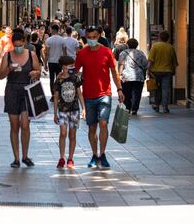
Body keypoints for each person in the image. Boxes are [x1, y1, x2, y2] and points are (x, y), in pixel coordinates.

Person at [75, 26, 124, 168]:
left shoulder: (107, 52)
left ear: (98, 37)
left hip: (104, 94)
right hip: (88, 95)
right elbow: (75, 71)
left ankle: (102, 154)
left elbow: (114, 72)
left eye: (93, 37)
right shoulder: (82, 53)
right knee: (92, 128)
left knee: (103, 123)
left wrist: (119, 89)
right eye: (88, 38)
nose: (91, 40)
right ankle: (94, 154)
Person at [0, 31, 41, 168]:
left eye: (20, 45)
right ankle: (16, 158)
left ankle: (25, 156)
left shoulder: (31, 54)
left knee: (25, 124)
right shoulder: (8, 55)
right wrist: (9, 68)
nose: (18, 47)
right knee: (14, 125)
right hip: (12, 90)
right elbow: (0, 75)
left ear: (24, 42)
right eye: (16, 45)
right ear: (12, 44)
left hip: (27, 90)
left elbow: (38, 71)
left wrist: (35, 73)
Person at [53, 56, 86, 169]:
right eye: (70, 66)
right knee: (63, 133)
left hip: (74, 110)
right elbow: (56, 96)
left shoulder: (75, 78)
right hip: (62, 110)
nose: (72, 68)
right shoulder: (59, 79)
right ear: (63, 67)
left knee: (72, 135)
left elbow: (79, 94)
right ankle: (62, 157)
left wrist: (83, 108)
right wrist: (55, 113)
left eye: (73, 66)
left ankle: (70, 158)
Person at [148, 30, 179, 113]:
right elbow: (174, 62)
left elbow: (151, 60)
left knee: (156, 89)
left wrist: (148, 70)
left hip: (155, 72)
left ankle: (157, 105)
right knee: (166, 89)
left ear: (159, 37)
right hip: (167, 71)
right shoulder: (171, 47)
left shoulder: (155, 46)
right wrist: (174, 70)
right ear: (168, 38)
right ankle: (165, 106)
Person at [118, 38, 148, 115]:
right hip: (138, 77)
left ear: (127, 45)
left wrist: (119, 74)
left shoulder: (123, 53)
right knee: (137, 94)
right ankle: (135, 109)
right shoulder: (141, 53)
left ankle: (128, 107)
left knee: (127, 93)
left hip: (126, 77)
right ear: (136, 45)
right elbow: (145, 64)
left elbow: (121, 65)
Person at [45, 24, 65, 102]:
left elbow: (47, 52)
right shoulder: (62, 40)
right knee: (59, 78)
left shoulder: (48, 40)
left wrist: (45, 63)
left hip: (51, 62)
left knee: (51, 78)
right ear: (58, 30)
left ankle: (53, 95)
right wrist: (65, 62)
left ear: (52, 30)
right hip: (59, 62)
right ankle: (59, 94)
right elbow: (64, 51)